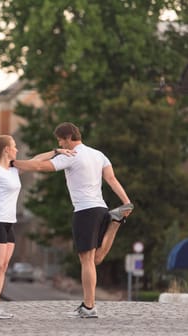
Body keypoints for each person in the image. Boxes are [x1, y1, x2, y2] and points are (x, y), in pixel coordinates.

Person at [11, 122, 134, 318]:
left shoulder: (71, 156)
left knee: (86, 261)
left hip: (85, 211)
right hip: (101, 208)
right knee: (95, 259)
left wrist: (12, 163)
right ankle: (115, 223)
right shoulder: (98, 155)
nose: (60, 144)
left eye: (60, 140)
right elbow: (111, 179)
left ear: (68, 138)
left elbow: (39, 166)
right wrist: (126, 201)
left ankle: (88, 306)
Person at [0, 134, 73, 319]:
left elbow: (35, 160)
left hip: (9, 223)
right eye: (14, 146)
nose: (17, 149)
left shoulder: (13, 169)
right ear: (6, 150)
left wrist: (56, 151)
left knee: (1, 268)